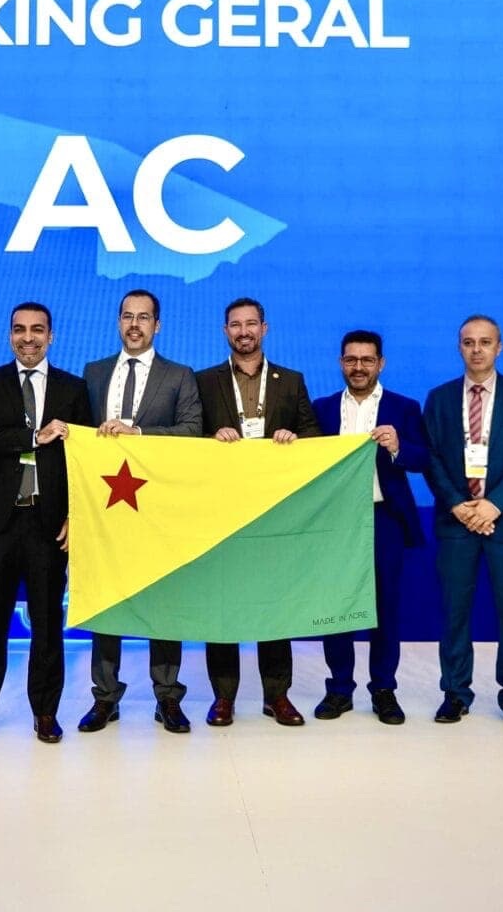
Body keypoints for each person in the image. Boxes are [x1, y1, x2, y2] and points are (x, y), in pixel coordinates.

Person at [0, 302, 91, 746]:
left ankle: (46, 713)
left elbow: (83, 459)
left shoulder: (73, 388)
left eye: (37, 330)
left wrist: (77, 514)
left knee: (48, 623)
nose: (28, 338)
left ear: (51, 336)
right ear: (9, 335)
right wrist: (35, 437)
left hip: (48, 523)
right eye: (19, 329)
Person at [76, 289, 203, 735]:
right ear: (118, 322)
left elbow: (193, 432)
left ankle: (167, 696)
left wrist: (139, 433)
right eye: (127, 316)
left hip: (158, 510)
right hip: (104, 510)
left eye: (144, 317)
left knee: (164, 601)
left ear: (157, 325)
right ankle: (104, 697)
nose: (135, 325)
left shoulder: (179, 375)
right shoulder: (93, 373)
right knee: (106, 598)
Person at [195, 297, 319, 728]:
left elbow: (313, 435)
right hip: (222, 513)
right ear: (225, 331)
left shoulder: (292, 380)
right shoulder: (203, 381)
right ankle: (223, 697)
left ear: (264, 329)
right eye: (235, 325)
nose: (243, 331)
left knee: (274, 603)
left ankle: (277, 695)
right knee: (222, 604)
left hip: (274, 513)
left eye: (251, 324)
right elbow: (188, 439)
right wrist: (211, 437)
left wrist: (293, 438)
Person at [422, 315, 503, 731]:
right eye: (469, 342)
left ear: (499, 347)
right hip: (456, 522)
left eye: (485, 342)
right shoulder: (439, 398)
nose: (477, 349)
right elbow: (431, 458)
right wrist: (459, 505)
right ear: (459, 347)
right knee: (454, 612)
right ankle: (455, 693)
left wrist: (493, 505)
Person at [311, 329, 427, 726]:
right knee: (335, 608)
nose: (358, 367)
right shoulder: (321, 409)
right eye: (351, 360)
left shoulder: (404, 407)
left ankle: (383, 690)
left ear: (381, 363)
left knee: (386, 607)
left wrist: (398, 446)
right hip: (334, 523)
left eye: (366, 360)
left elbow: (424, 458)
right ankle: (339, 689)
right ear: (340, 363)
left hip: (384, 519)